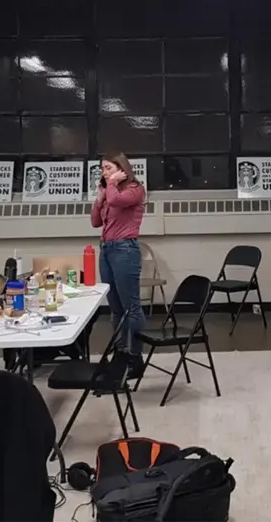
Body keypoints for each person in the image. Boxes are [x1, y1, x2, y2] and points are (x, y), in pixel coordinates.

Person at [90, 152, 147, 379]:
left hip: (125, 250)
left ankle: (136, 356)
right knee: (115, 307)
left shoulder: (134, 189)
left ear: (121, 169)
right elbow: (95, 221)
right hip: (106, 249)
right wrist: (98, 199)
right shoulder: (110, 192)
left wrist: (111, 185)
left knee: (131, 306)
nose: (104, 173)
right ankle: (121, 352)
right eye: (102, 169)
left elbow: (116, 201)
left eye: (108, 168)